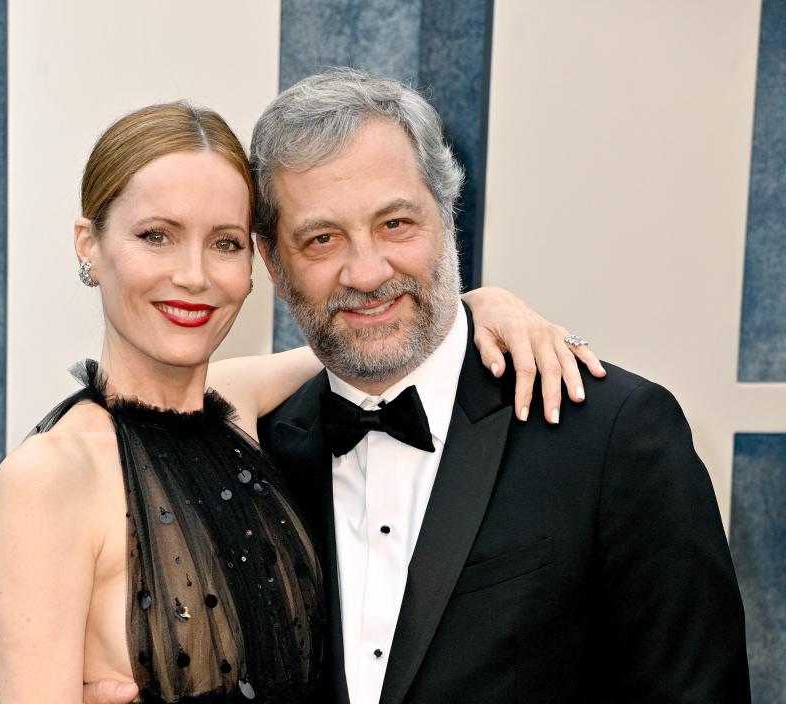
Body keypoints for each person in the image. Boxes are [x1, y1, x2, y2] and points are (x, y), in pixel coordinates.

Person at [0, 101, 601, 704]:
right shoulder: (49, 478)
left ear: (259, 264)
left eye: (224, 243)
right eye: (156, 236)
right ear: (89, 244)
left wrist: (483, 305)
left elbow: (370, 334)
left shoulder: (239, 404)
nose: (194, 275)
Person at [247, 70, 749, 702]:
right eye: (322, 239)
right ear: (272, 261)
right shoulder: (254, 454)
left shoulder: (613, 435)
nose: (368, 271)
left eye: (396, 224)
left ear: (447, 213)